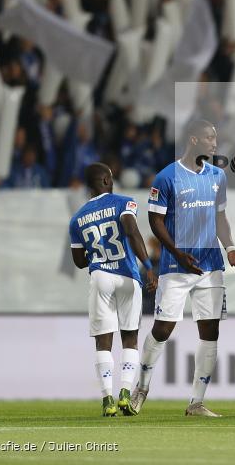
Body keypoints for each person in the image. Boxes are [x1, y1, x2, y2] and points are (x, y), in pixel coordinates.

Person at [132, 120, 235, 417]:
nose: (214, 143)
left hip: (210, 265)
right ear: (194, 140)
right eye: (209, 138)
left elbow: (220, 217)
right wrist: (176, 253)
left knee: (210, 331)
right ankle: (141, 388)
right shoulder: (166, 177)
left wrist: (230, 247)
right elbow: (155, 221)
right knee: (163, 329)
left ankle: (196, 402)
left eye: (215, 137)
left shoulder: (217, 176)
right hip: (176, 265)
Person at [69, 163, 157, 417]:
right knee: (130, 337)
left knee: (103, 341)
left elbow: (79, 261)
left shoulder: (77, 219)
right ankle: (125, 394)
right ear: (107, 180)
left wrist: (97, 253)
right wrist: (148, 266)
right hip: (127, 275)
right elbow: (132, 231)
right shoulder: (124, 203)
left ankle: (107, 399)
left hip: (100, 277)